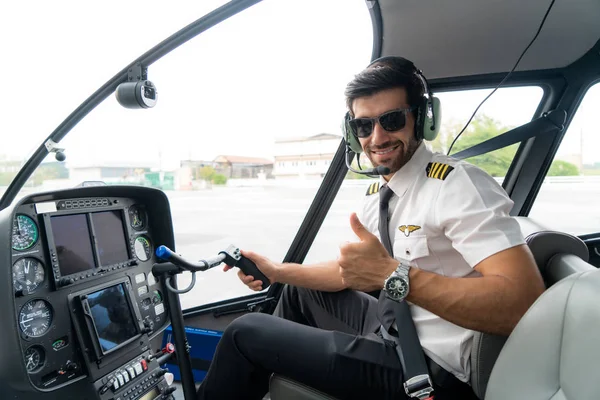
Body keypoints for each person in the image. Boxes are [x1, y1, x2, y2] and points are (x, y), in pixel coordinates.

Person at [195, 57, 545, 400]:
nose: (377, 137)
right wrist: (277, 271)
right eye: (364, 126)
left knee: (245, 333)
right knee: (299, 292)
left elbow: (520, 303)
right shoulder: (381, 191)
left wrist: (394, 275)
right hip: (395, 329)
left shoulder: (456, 186)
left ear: (421, 119)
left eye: (392, 120)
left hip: (428, 370)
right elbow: (351, 273)